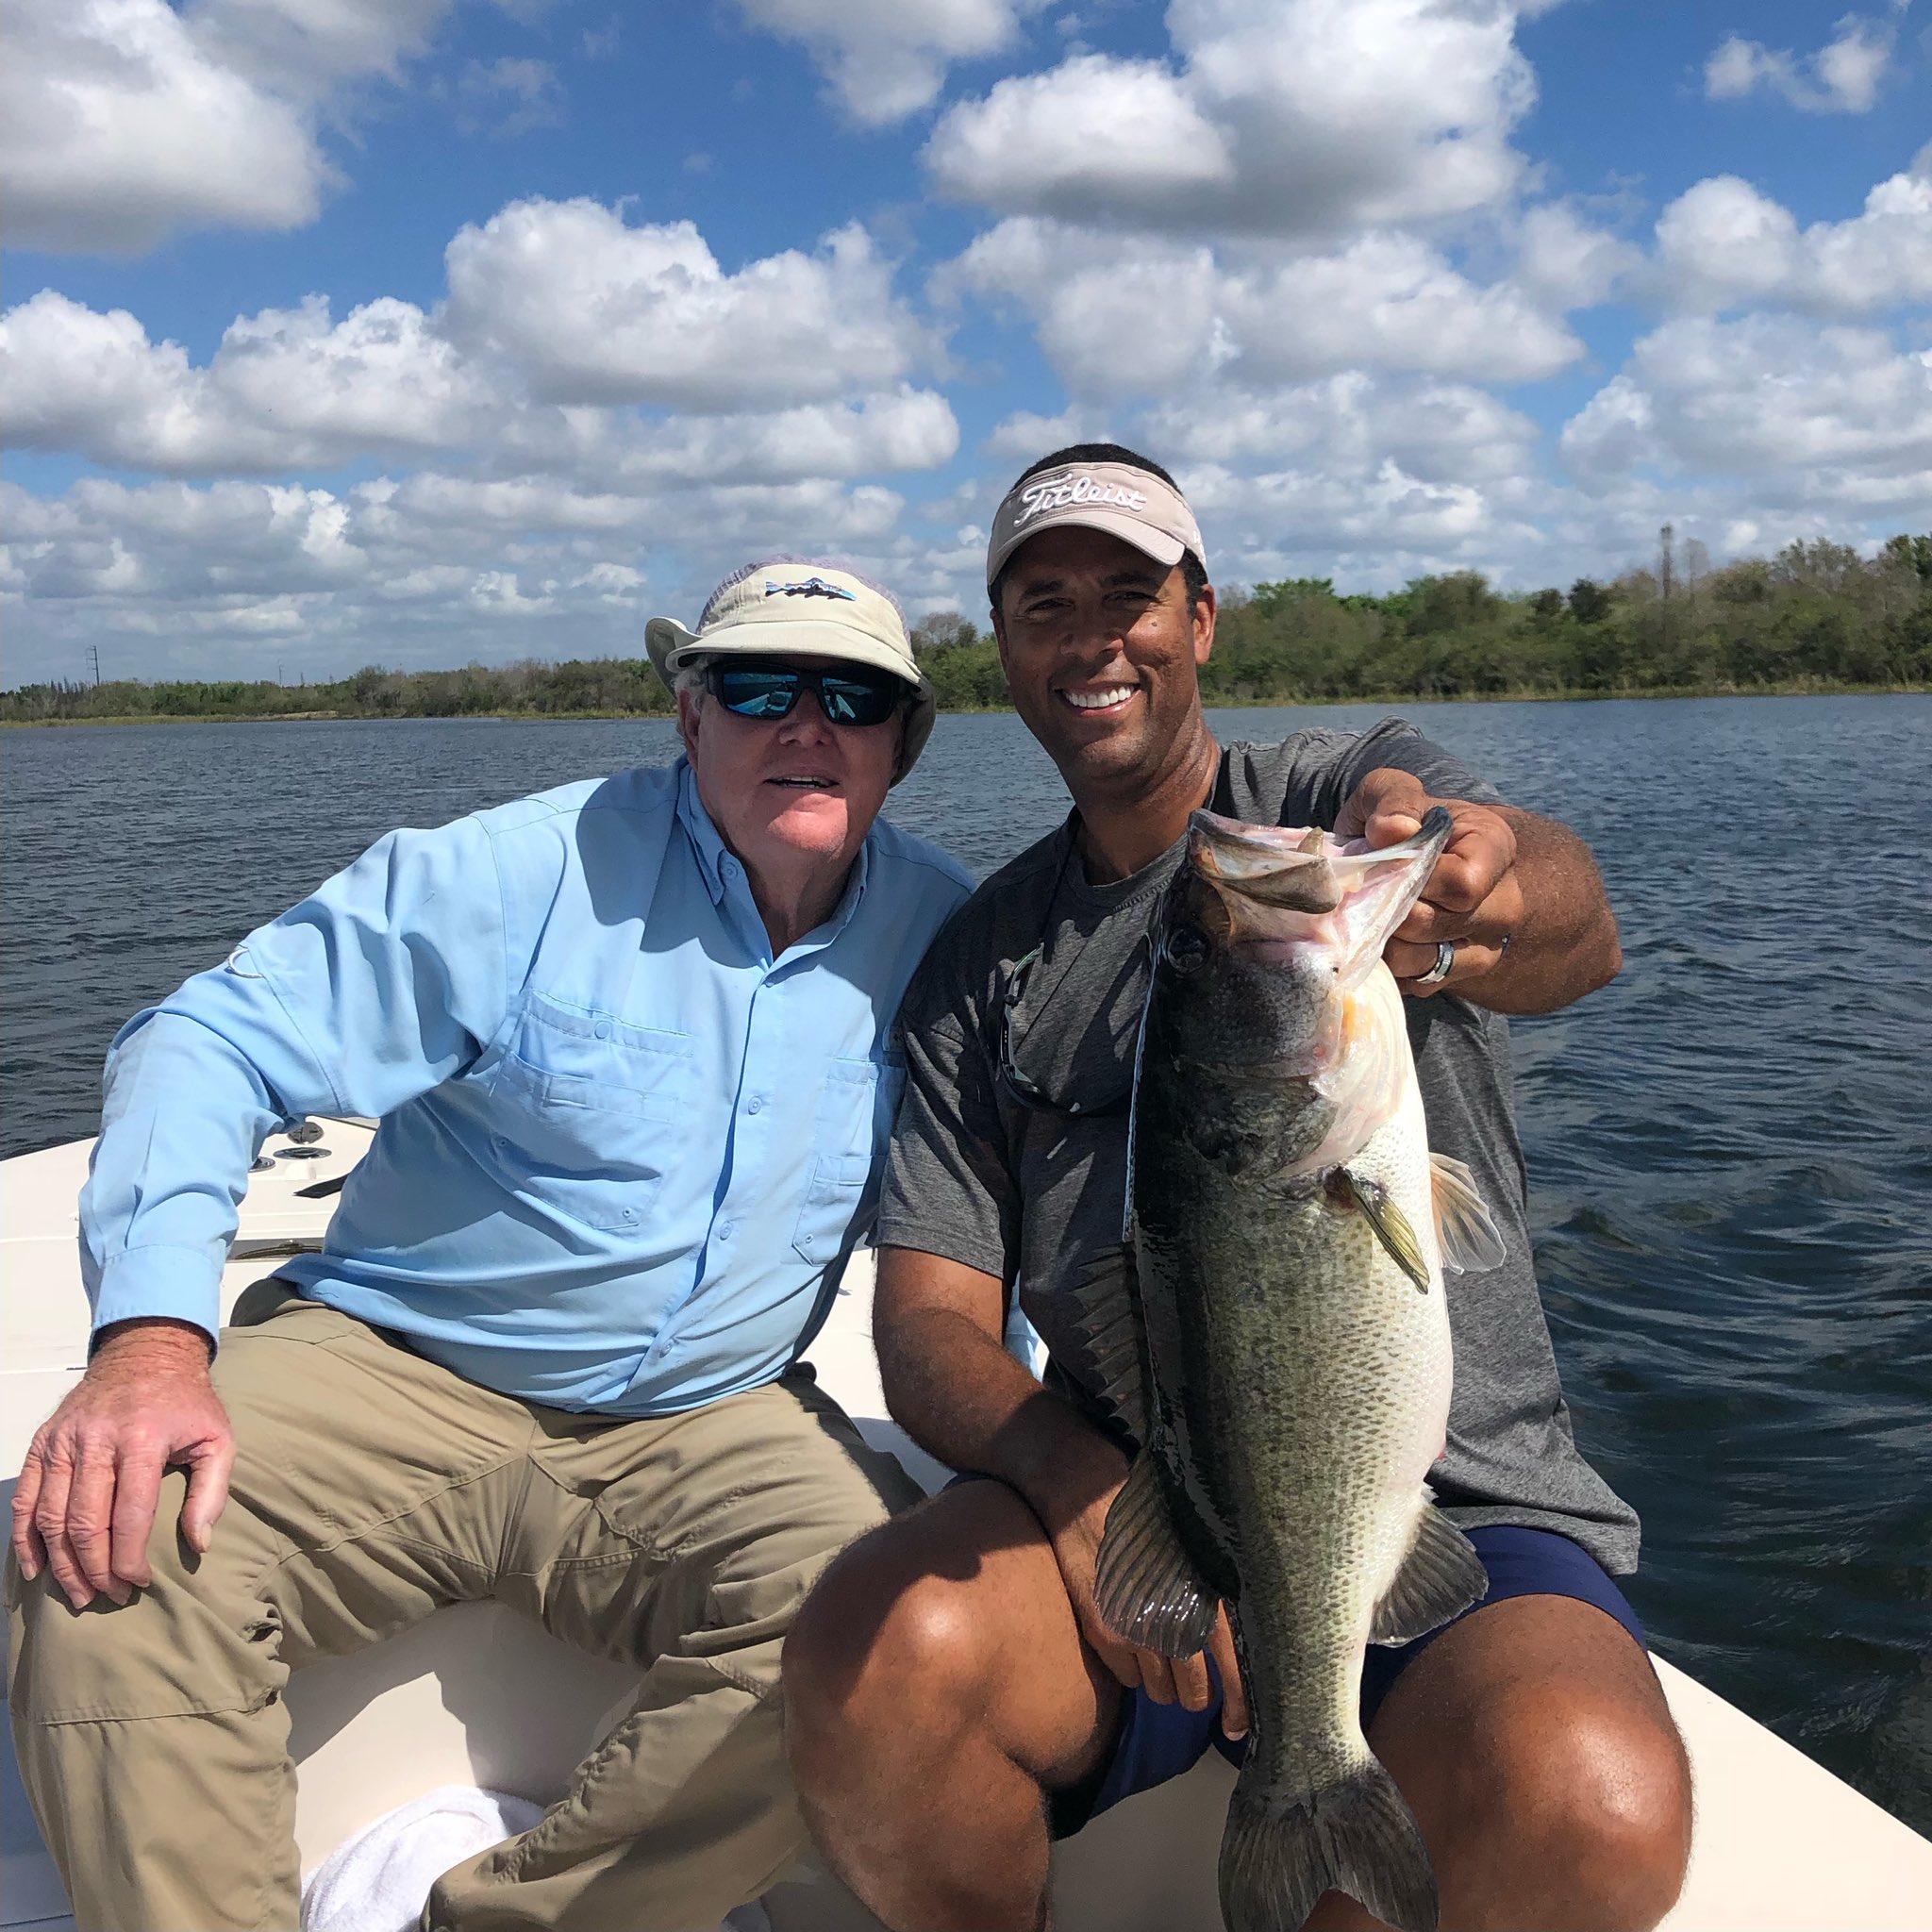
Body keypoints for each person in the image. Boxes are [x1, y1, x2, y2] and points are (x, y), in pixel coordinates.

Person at [783, 448, 1694, 1930]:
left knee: (1591, 1797)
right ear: (1005, 652)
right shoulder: (980, 962)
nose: (1094, 639)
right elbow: (930, 1323)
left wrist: (1477, 887)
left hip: (1464, 1500)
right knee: (873, 1655)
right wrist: (1093, 1504)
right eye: (1044, 605)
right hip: (1152, 1502)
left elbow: (1574, 938)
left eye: (1131, 595)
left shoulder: (1344, 801)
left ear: (1202, 616)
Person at [8, 558, 973, 1932]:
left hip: (712, 1409)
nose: (805, 725)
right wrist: (152, 1341)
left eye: (856, 698)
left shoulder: (948, 933)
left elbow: (1030, 1196)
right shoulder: (519, 869)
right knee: (112, 1549)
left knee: (891, 1630)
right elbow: (206, 1037)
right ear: (689, 719)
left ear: (904, 746)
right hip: (401, 1363)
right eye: (758, 686)